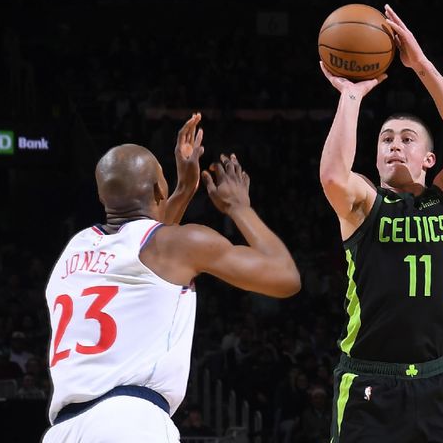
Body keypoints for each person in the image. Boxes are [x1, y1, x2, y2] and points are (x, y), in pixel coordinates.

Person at [42, 113, 301, 442]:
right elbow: (285, 277)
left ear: (103, 196)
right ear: (156, 189)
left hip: (63, 430)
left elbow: (147, 235)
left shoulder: (75, 250)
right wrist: (239, 207)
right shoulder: (174, 245)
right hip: (127, 423)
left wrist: (183, 188)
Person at [319, 5, 443, 442]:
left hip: (433, 381)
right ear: (374, 157)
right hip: (369, 382)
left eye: (407, 140)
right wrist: (350, 97)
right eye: (386, 140)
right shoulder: (363, 207)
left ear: (429, 160)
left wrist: (422, 66)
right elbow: (333, 175)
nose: (395, 146)